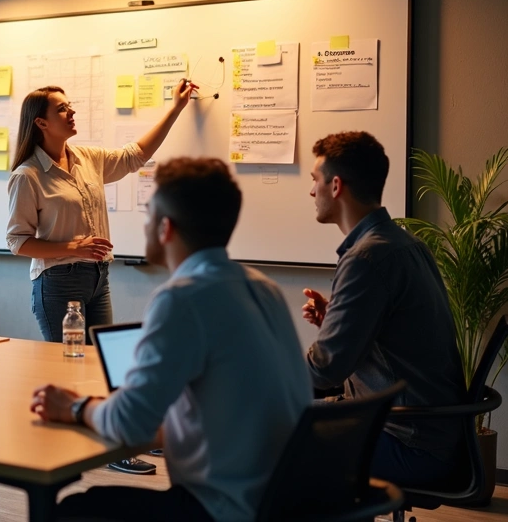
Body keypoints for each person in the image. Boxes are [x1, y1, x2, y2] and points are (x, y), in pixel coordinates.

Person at [30, 158, 311, 522]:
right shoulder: (263, 288)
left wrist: (74, 407)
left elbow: (131, 424)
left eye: (148, 212)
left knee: (74, 511)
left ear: (165, 227)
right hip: (285, 502)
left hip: (223, 509)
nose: (143, 222)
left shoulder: (182, 298)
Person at [6, 81, 196, 475]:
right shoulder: (28, 175)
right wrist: (73, 248)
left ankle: (123, 443)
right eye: (62, 109)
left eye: (70, 105)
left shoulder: (86, 158)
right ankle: (68, 457)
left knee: (105, 368)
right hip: (57, 284)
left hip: (97, 277)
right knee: (67, 370)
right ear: (41, 123)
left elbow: (136, 155)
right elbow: (17, 242)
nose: (72, 112)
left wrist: (175, 109)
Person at [303, 131, 465, 486]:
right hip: (429, 434)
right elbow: (392, 342)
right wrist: (337, 323)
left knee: (259, 429)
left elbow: (324, 372)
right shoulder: (405, 244)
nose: (312, 191)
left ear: (336, 186)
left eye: (315, 180)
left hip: (407, 441)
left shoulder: (366, 258)